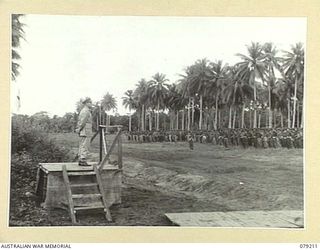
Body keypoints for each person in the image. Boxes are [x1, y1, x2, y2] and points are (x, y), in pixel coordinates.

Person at [75, 97, 93, 166]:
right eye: (90, 102)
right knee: (85, 145)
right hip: (85, 130)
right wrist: (79, 129)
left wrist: (79, 129)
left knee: (83, 145)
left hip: (84, 130)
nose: (91, 104)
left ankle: (81, 159)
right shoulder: (86, 111)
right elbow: (83, 121)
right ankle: (82, 160)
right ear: (86, 103)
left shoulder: (84, 110)